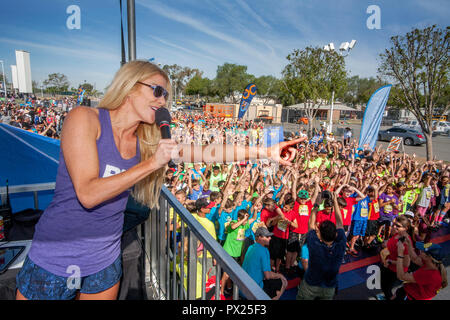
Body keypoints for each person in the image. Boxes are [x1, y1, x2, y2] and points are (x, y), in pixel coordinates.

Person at [15, 60, 304, 300]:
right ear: (129, 87)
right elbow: (88, 193)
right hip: (55, 258)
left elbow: (206, 152)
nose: (163, 101)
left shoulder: (144, 141)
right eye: (157, 91)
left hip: (104, 260)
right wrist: (152, 163)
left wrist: (264, 151)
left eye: (166, 95)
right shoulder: (84, 118)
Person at [296, 191, 346, 300]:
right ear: (336, 234)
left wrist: (316, 205)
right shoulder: (341, 246)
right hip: (329, 287)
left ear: (321, 235)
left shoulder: (314, 245)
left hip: (310, 286)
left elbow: (311, 223)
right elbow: (339, 222)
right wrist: (335, 201)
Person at [241, 227, 287, 300]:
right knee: (283, 282)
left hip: (241, 287)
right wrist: (280, 275)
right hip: (253, 290)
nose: (270, 238)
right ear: (259, 237)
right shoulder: (264, 250)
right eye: (267, 236)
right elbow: (267, 275)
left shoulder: (250, 247)